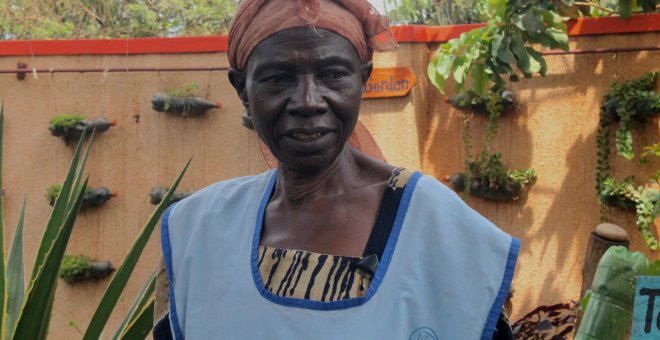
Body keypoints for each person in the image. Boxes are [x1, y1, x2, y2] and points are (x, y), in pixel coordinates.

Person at [154, 0, 519, 339]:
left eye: (333, 75)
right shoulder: (197, 231)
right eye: (277, 78)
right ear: (242, 89)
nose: (308, 102)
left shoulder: (440, 228)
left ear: (363, 80)